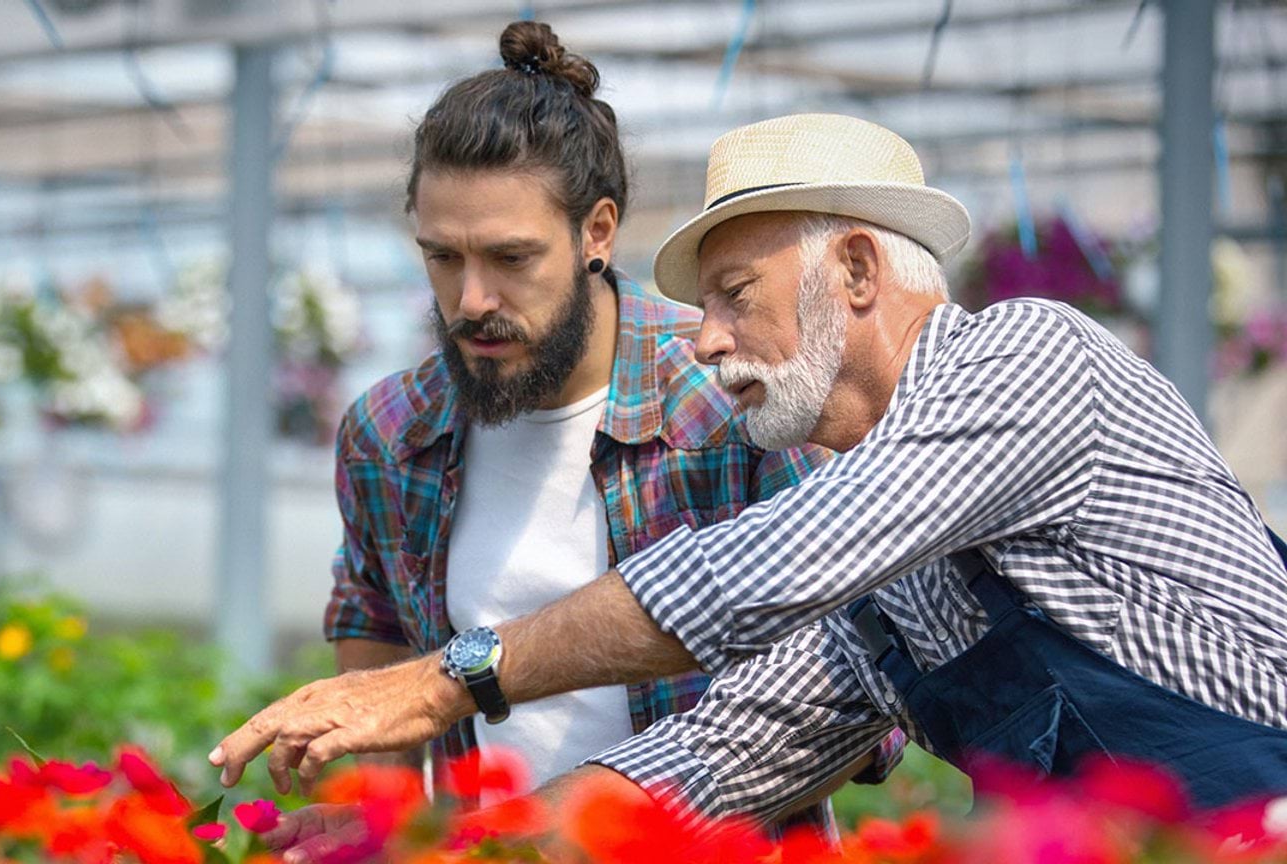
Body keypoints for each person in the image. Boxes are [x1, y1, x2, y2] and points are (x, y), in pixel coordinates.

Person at [212, 111, 1287, 821]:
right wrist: (468, 852)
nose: (706, 336)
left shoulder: (1027, 358)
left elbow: (772, 561)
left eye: (735, 294)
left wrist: (457, 678)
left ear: (857, 270)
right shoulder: (891, 595)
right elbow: (720, 751)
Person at [248, 30, 902, 862]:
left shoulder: (733, 407)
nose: (471, 298)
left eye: (511, 257)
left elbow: (853, 709)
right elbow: (378, 638)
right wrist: (366, 813)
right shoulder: (391, 435)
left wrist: (562, 831)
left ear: (598, 231)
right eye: (441, 257)